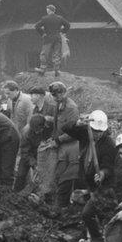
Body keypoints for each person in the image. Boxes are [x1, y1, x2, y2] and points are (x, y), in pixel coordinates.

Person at [62, 110, 117, 242]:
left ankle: (102, 241)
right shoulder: (85, 135)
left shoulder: (109, 144)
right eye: (94, 130)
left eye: (99, 131)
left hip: (102, 185)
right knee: (83, 208)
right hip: (85, 177)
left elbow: (109, 166)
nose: (97, 133)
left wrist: (103, 174)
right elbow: (66, 128)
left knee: (94, 212)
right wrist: (78, 123)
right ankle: (90, 237)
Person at [47, 81, 81, 210]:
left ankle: (66, 206)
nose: (56, 97)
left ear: (63, 92)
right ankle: (62, 205)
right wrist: (53, 138)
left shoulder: (71, 108)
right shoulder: (58, 104)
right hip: (62, 146)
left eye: (58, 94)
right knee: (59, 176)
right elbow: (57, 125)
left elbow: (74, 132)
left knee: (67, 178)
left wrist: (58, 140)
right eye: (54, 95)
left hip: (72, 147)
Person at [15, 114, 50, 193]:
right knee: (21, 175)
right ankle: (16, 193)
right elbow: (25, 152)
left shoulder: (48, 127)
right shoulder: (26, 133)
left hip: (42, 153)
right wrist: (34, 164)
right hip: (28, 153)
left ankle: (41, 193)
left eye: (39, 130)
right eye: (35, 131)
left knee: (41, 176)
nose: (37, 132)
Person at [34, 4, 70, 76]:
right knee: (56, 54)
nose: (47, 11)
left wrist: (42, 33)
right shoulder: (60, 18)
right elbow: (68, 25)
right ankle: (56, 70)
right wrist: (62, 31)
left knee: (44, 54)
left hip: (48, 39)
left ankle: (42, 69)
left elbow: (36, 26)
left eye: (47, 9)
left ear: (49, 10)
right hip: (57, 38)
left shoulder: (45, 18)